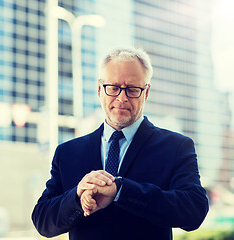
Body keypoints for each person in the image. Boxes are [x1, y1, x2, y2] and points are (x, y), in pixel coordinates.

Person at [32, 47, 209, 240]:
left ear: (146, 92)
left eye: (132, 90)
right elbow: (42, 220)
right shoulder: (68, 152)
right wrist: (76, 196)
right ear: (100, 89)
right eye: (114, 88)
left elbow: (194, 210)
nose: (122, 98)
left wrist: (121, 190)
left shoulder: (176, 147)